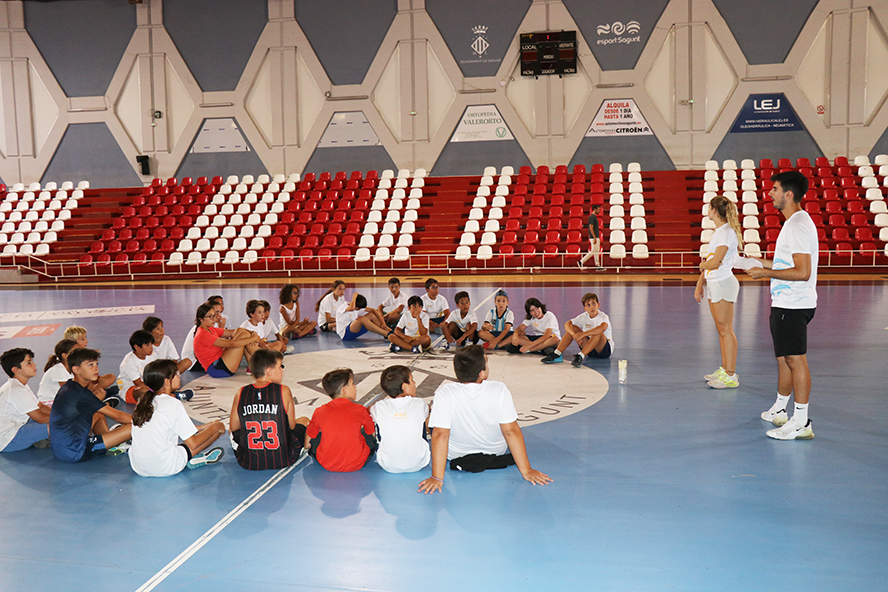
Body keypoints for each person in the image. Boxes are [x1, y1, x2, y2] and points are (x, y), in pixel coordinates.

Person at [418, 345, 552, 494]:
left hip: (456, 454)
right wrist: (526, 470)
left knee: (431, 419)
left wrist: (437, 477)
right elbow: (511, 431)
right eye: (487, 362)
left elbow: (440, 435)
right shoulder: (499, 389)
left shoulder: (445, 392)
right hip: (495, 451)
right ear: (482, 373)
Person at [747, 171, 818, 440]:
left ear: (788, 194)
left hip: (794, 303)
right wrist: (760, 262)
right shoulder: (794, 223)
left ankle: (801, 421)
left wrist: (765, 274)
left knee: (795, 360)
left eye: (775, 189)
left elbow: (802, 271)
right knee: (785, 358)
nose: (770, 193)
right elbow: (790, 264)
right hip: (786, 302)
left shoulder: (797, 224)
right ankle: (782, 410)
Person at [129, 359, 225, 476]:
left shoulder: (143, 401)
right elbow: (193, 444)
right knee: (217, 430)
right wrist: (215, 427)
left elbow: (169, 426)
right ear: (167, 382)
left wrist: (203, 427)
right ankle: (193, 459)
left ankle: (188, 458)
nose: (179, 377)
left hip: (139, 467)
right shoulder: (173, 403)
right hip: (165, 467)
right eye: (176, 374)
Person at [230, 349, 309, 470]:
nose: (282, 370)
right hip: (284, 459)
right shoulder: (284, 391)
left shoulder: (240, 392)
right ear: (269, 371)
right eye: (280, 366)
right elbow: (291, 426)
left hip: (249, 462)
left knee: (234, 433)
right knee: (304, 420)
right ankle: (302, 448)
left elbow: (234, 428)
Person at [49, 348, 133, 463]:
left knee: (97, 413)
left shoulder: (69, 386)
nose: (96, 368)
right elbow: (118, 416)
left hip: (61, 449)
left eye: (96, 364)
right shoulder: (81, 394)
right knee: (133, 427)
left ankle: (110, 442)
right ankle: (111, 441)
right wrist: (147, 422)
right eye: (90, 365)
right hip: (76, 452)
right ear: (76, 370)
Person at [695, 195, 743, 388]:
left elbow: (715, 262)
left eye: (709, 207)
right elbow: (712, 259)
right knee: (721, 330)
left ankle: (730, 375)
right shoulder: (720, 232)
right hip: (715, 282)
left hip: (723, 283)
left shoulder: (726, 232)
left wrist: (701, 265)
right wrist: (700, 283)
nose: (708, 210)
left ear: (714, 210)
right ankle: (724, 369)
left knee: (726, 330)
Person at [305, 368, 377, 472]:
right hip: (357, 463)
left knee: (317, 434)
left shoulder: (319, 411)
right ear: (344, 390)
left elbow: (308, 444)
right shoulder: (360, 410)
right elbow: (371, 434)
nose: (355, 387)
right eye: (352, 384)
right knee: (366, 435)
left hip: (327, 463)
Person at [370, 365, 430, 473]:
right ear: (404, 387)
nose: (415, 383)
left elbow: (369, 409)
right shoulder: (420, 403)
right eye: (412, 380)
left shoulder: (378, 407)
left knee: (378, 424)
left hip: (387, 465)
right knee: (422, 420)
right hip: (419, 463)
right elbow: (427, 411)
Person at [542, 292, 614, 366]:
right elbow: (567, 324)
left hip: (603, 350)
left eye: (593, 304)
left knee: (597, 332)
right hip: (589, 349)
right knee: (572, 327)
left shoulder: (603, 316)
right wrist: (575, 335)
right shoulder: (584, 316)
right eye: (588, 305)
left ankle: (580, 356)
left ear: (598, 305)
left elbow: (602, 328)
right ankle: (557, 353)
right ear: (585, 308)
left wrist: (582, 335)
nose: (592, 307)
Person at [0, 348, 50, 452]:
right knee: (57, 424)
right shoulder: (16, 389)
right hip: (7, 439)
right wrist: (66, 417)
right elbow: (40, 418)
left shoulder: (18, 385)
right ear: (16, 370)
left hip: (18, 426)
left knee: (58, 419)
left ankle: (41, 438)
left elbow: (40, 406)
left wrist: (61, 412)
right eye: (29, 363)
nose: (34, 365)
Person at [192, 303, 261, 379]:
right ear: (201, 319)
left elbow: (236, 331)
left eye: (214, 315)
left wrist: (252, 333)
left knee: (241, 331)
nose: (214, 319)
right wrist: (254, 338)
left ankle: (255, 365)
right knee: (244, 337)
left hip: (221, 361)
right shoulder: (203, 334)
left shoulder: (210, 329)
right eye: (210, 316)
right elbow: (232, 344)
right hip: (218, 369)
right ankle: (264, 361)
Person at [63, 326, 118, 397]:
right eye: (83, 339)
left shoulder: (84, 355)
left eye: (86, 338)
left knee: (111, 377)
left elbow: (93, 377)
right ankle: (98, 397)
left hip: (85, 385)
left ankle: (97, 394)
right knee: (100, 393)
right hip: (77, 392)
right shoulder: (69, 360)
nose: (87, 341)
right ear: (73, 343)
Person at [118, 330, 155, 404]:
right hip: (131, 389)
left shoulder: (151, 355)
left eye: (151, 344)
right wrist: (156, 390)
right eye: (147, 345)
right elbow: (138, 383)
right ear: (137, 347)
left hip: (148, 384)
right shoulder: (128, 362)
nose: (151, 347)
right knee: (144, 390)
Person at [37, 339, 79, 403]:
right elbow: (70, 392)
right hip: (49, 403)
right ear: (65, 355)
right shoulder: (58, 370)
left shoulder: (71, 369)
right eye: (76, 352)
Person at [578, 204, 604, 270]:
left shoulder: (593, 217)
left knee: (596, 251)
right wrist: (595, 237)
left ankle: (597, 265)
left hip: (595, 236)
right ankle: (581, 261)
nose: (599, 210)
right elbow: (591, 227)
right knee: (593, 251)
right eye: (598, 209)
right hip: (594, 237)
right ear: (594, 209)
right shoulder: (592, 217)